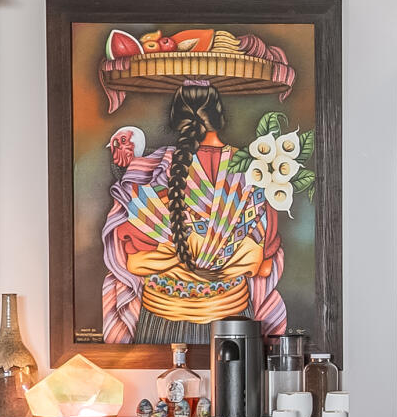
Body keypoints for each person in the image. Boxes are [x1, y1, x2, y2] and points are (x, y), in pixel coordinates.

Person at [99, 85, 288, 347]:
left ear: (177, 120)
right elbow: (264, 267)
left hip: (161, 327)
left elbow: (132, 261)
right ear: (219, 117)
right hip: (234, 330)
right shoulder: (254, 172)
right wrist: (223, 261)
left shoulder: (151, 170)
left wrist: (179, 260)